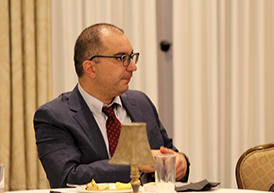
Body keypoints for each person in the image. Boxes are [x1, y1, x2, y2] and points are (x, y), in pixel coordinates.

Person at [33, 23, 190, 188]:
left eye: (132, 57)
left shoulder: (141, 103)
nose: (133, 67)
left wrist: (181, 162)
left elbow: (168, 153)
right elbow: (66, 177)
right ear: (91, 68)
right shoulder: (54, 116)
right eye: (122, 58)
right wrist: (134, 164)